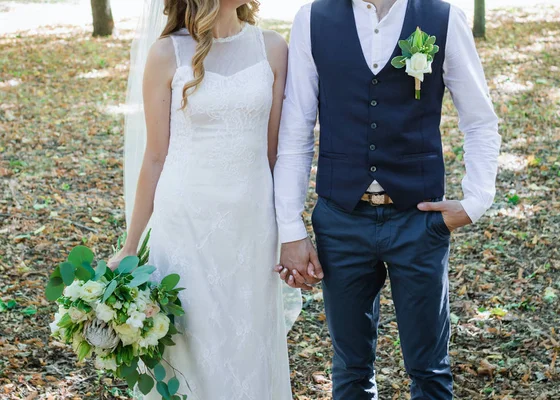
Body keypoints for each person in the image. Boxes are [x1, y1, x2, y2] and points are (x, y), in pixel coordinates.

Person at [274, 0, 501, 398]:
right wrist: (291, 229)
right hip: (341, 220)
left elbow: (480, 120)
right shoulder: (312, 19)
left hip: (419, 220)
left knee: (429, 369)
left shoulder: (443, 17)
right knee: (350, 369)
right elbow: (296, 130)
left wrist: (475, 201)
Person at [109, 0, 301, 398]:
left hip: (251, 224)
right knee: (191, 339)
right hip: (186, 223)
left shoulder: (274, 48)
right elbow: (156, 156)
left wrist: (289, 231)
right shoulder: (167, 53)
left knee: (247, 340)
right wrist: (130, 245)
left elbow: (274, 155)